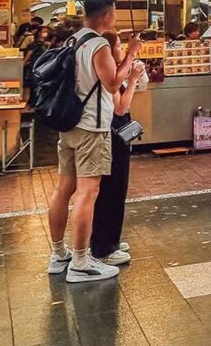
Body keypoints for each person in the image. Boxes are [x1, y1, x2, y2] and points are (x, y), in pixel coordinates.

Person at [47, 0, 138, 283]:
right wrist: (131, 55)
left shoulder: (73, 40)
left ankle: (58, 254)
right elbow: (112, 83)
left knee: (64, 189)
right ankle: (81, 261)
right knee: (88, 192)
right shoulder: (98, 44)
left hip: (70, 124)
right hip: (92, 127)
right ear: (108, 14)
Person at [90, 31, 145, 266]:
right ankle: (105, 247)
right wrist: (132, 80)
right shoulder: (109, 76)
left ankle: (110, 240)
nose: (122, 49)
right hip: (114, 136)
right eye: (119, 45)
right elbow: (120, 108)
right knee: (113, 190)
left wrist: (132, 74)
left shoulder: (113, 71)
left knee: (113, 191)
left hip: (114, 135)